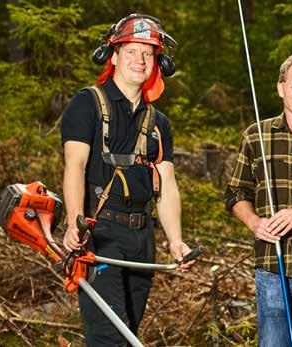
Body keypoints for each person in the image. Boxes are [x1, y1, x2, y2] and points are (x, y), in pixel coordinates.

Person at [61, 14, 193, 346]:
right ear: (114, 56)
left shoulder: (159, 122)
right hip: (100, 236)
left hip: (142, 240)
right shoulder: (86, 103)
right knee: (110, 337)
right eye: (131, 51)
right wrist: (75, 223)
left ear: (158, 62)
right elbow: (74, 166)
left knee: (129, 332)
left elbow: (167, 184)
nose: (140, 60)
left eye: (148, 54)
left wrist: (175, 240)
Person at [225, 54, 292, 347]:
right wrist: (254, 222)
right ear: (281, 88)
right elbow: (235, 192)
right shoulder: (257, 135)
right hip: (273, 267)